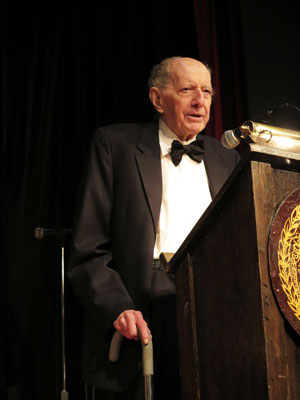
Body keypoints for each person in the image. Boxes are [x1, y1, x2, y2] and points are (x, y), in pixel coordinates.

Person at [68, 56, 240, 400]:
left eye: (206, 92)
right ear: (157, 99)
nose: (199, 101)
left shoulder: (228, 157)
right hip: (145, 301)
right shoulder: (115, 145)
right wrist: (117, 307)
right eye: (187, 89)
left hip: (215, 307)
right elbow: (88, 249)